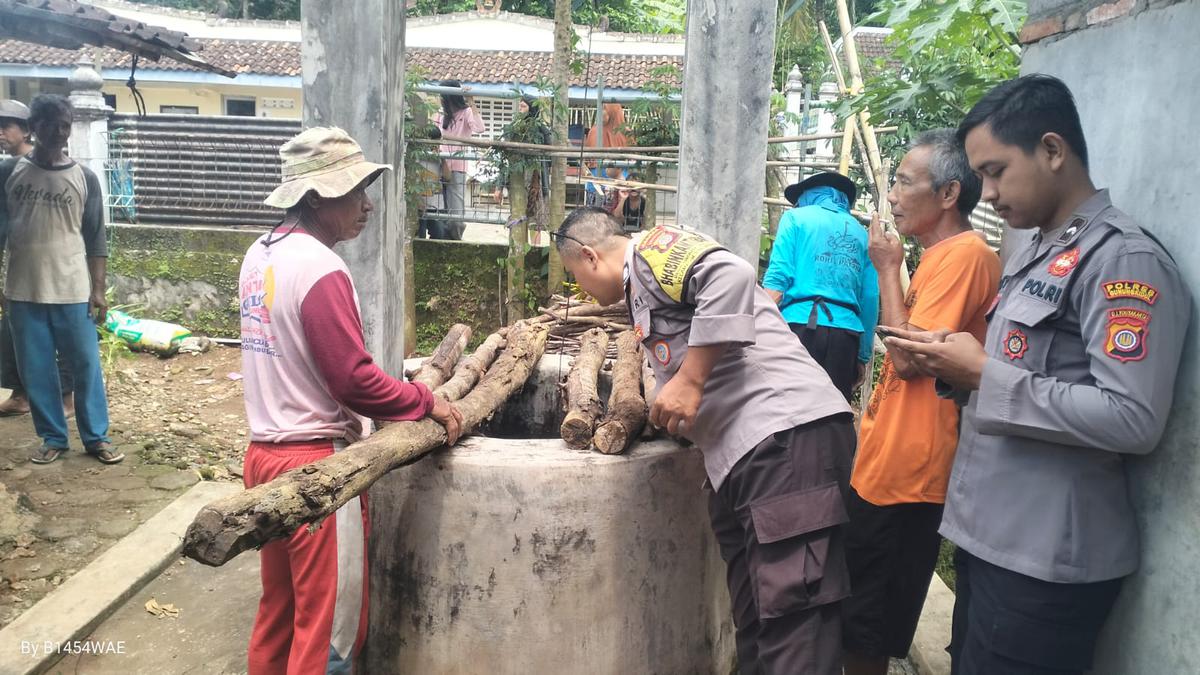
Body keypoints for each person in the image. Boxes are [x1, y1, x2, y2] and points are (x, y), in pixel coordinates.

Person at [883, 75, 1191, 675]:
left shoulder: (1123, 259)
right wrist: (955, 358)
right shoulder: (1035, 251)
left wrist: (985, 375)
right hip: (993, 538)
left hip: (1045, 561)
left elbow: (1133, 417)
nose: (988, 193)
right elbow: (1018, 365)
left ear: (1052, 151)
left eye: (996, 171)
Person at [554, 209, 855, 674]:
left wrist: (691, 381)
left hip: (784, 437)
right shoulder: (642, 290)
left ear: (589, 256)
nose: (582, 290)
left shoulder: (652, 250)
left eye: (576, 278)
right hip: (747, 454)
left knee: (795, 623)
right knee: (756, 617)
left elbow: (732, 273)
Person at [242, 126, 464, 674]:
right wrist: (422, 399)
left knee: (280, 610)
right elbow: (353, 379)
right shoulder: (320, 268)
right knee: (331, 633)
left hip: (264, 455)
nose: (366, 205)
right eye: (354, 192)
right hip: (316, 466)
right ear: (316, 197)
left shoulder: (260, 254)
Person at [841, 130, 1000, 675]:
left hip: (909, 477)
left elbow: (909, 360)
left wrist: (887, 267)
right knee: (858, 615)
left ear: (949, 194)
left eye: (904, 183)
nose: (891, 196)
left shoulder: (965, 257)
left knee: (868, 628)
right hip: (884, 466)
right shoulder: (937, 256)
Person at [0, 94, 119, 465]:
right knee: (36, 371)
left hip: (72, 290)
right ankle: (53, 437)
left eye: (64, 125)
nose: (58, 132)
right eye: (49, 123)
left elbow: (95, 239)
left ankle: (96, 438)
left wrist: (98, 290)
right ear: (34, 126)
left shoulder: (84, 178)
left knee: (85, 366)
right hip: (22, 291)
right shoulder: (9, 172)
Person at [763, 172, 880, 401]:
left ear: (807, 196)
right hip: (846, 335)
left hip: (797, 326)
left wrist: (758, 329)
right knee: (833, 413)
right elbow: (870, 297)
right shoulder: (862, 235)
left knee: (788, 409)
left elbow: (777, 281)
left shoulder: (795, 218)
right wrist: (862, 355)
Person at [0, 99, 74, 418]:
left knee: (64, 332)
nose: (1, 133)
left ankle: (66, 396)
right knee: (14, 331)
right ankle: (22, 393)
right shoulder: (6, 170)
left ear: (28, 130)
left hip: (60, 267)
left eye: (7, 126)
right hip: (20, 266)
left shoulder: (62, 168)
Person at [433, 79, 484, 240]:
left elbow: (479, 128)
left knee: (456, 212)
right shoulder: (440, 114)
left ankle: (455, 239)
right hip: (438, 164)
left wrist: (471, 101)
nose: (440, 98)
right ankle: (441, 239)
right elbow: (430, 132)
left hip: (456, 167)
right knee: (436, 208)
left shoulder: (466, 112)